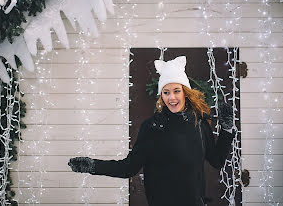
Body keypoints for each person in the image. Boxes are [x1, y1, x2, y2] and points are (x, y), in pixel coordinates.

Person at [68, 56, 234, 206]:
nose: (172, 98)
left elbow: (216, 160)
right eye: (166, 92)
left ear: (185, 93)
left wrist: (226, 130)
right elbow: (128, 168)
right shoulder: (153, 127)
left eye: (176, 91)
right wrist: (92, 166)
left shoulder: (199, 124)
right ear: (161, 96)